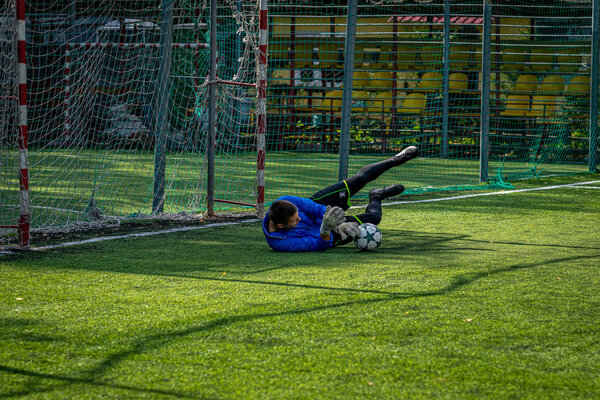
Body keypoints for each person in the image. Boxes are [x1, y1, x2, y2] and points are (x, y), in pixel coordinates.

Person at [262, 146, 419, 252]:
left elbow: (313, 207)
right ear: (281, 225)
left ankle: (397, 158)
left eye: (298, 214)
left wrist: (334, 219)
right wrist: (327, 229)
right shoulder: (280, 243)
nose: (300, 219)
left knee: (360, 179)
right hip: (328, 234)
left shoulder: (286, 200)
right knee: (375, 218)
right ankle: (377, 195)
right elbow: (318, 244)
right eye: (295, 221)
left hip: (322, 208)